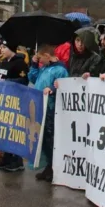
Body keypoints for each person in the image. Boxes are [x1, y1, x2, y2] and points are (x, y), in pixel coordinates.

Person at [29, 44, 69, 182]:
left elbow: (63, 85)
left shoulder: (60, 69)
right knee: (44, 138)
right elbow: (33, 79)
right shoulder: (44, 68)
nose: (39, 61)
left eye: (40, 58)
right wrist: (34, 65)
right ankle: (49, 165)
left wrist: (52, 88)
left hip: (51, 108)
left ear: (47, 56)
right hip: (42, 106)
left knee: (50, 138)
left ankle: (53, 167)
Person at [0, 40, 30, 172]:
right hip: (3, 99)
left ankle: (17, 160)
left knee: (13, 130)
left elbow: (24, 80)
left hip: (15, 100)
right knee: (4, 130)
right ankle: (7, 157)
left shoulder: (19, 63)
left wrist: (7, 82)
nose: (2, 50)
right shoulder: (3, 62)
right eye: (1, 47)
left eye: (4, 47)